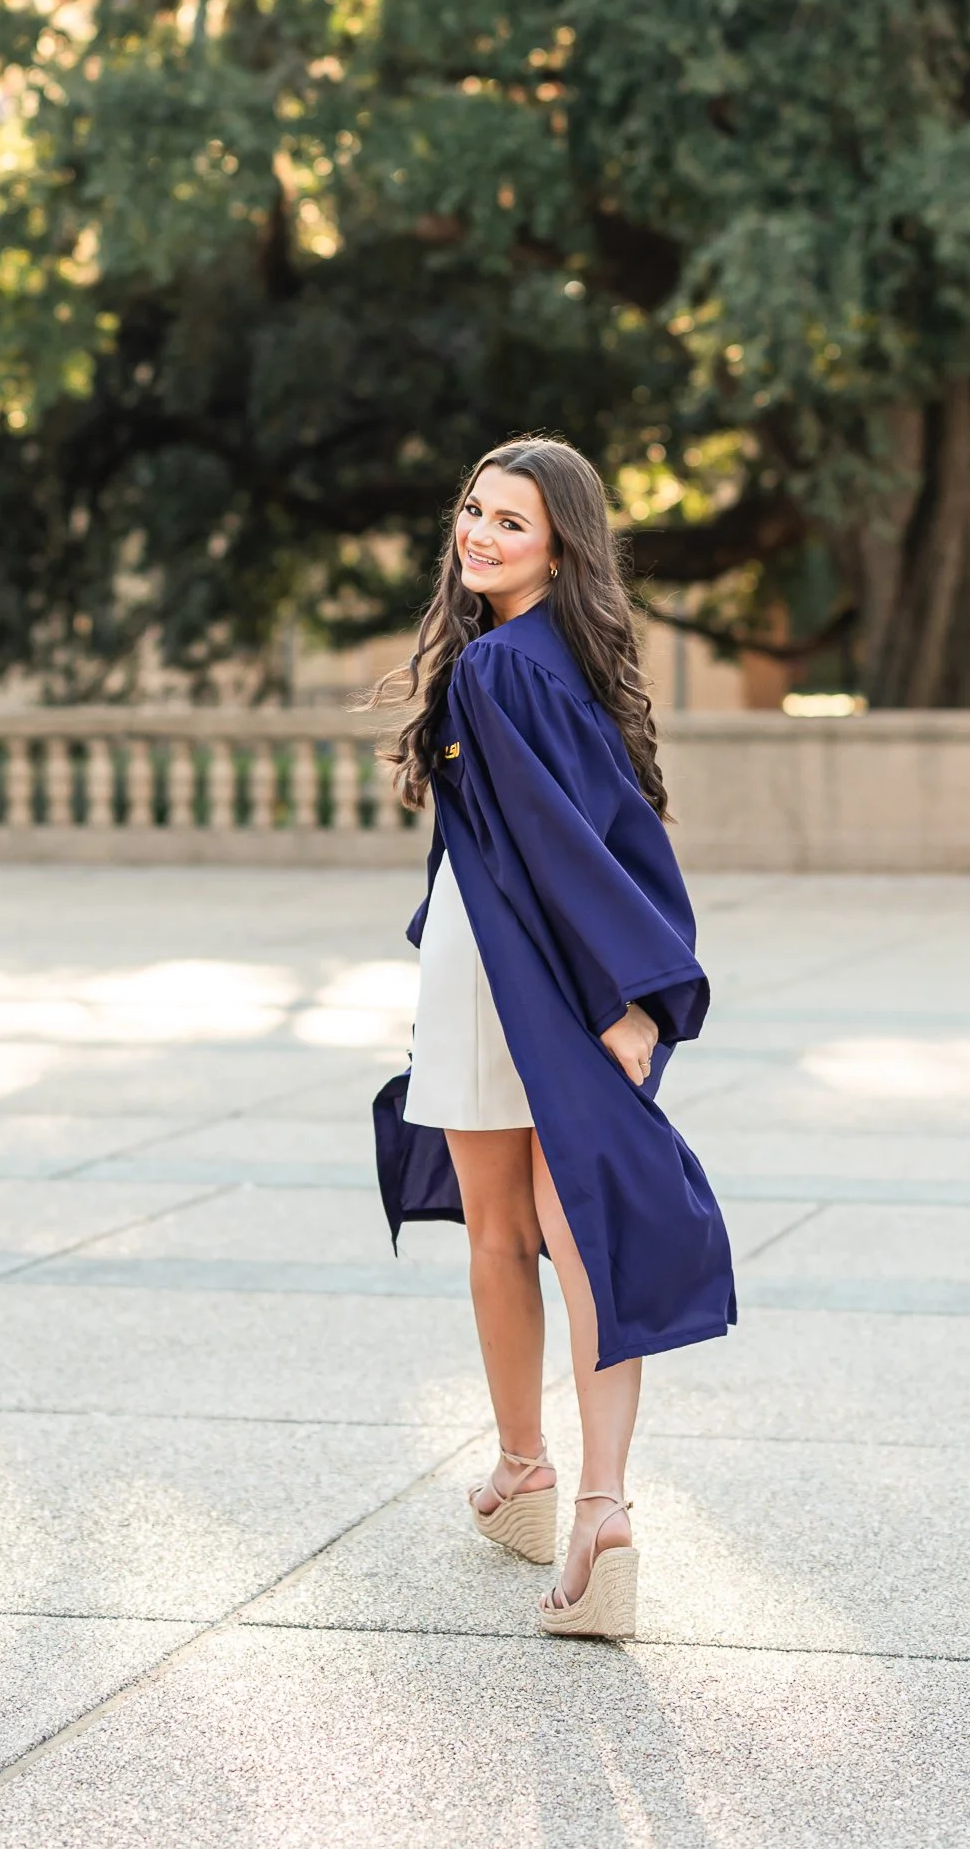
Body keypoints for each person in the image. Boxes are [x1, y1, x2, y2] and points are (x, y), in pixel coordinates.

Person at [371, 435, 735, 1640]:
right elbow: (603, 831)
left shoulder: (496, 671)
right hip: (534, 960)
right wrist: (621, 991)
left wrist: (618, 1001)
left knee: (504, 1233)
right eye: (472, 511)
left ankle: (545, 1477)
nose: (478, 534)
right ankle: (588, 1500)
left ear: (559, 544)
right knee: (578, 1235)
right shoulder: (553, 656)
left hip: (510, 968)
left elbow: (556, 847)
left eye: (510, 523)